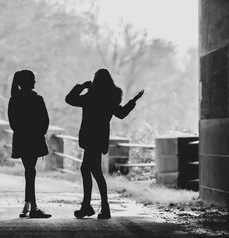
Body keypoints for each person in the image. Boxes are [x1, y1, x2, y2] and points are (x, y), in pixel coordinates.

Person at [65, 69, 144, 219]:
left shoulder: (90, 96)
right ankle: (96, 206)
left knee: (90, 171)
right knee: (93, 171)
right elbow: (121, 114)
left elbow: (69, 99)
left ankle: (92, 207)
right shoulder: (110, 97)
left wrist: (81, 86)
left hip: (89, 136)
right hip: (100, 137)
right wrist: (134, 100)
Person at [8, 70, 51, 219]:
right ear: (27, 82)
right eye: (33, 79)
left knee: (29, 171)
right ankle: (33, 207)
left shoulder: (14, 99)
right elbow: (45, 121)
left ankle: (29, 204)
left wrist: (23, 132)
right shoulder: (37, 99)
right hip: (34, 139)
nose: (35, 82)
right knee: (30, 172)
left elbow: (13, 122)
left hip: (21, 139)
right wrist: (38, 133)